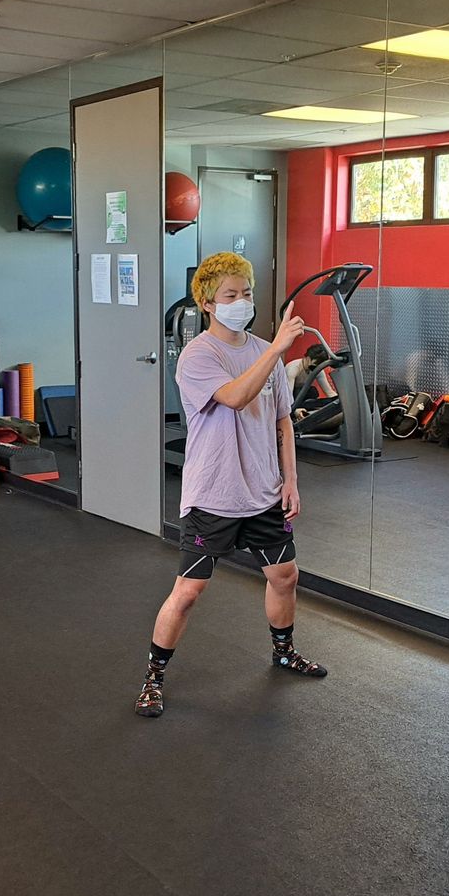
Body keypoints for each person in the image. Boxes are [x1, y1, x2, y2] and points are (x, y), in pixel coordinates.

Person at [136, 252, 327, 719]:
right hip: (214, 495)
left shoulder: (266, 348)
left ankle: (283, 652)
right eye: (230, 295)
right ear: (207, 302)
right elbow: (238, 397)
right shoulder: (199, 355)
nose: (241, 302)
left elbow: (283, 422)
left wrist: (291, 482)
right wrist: (277, 348)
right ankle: (153, 679)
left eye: (246, 293)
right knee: (189, 590)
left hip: (263, 492)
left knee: (285, 576)